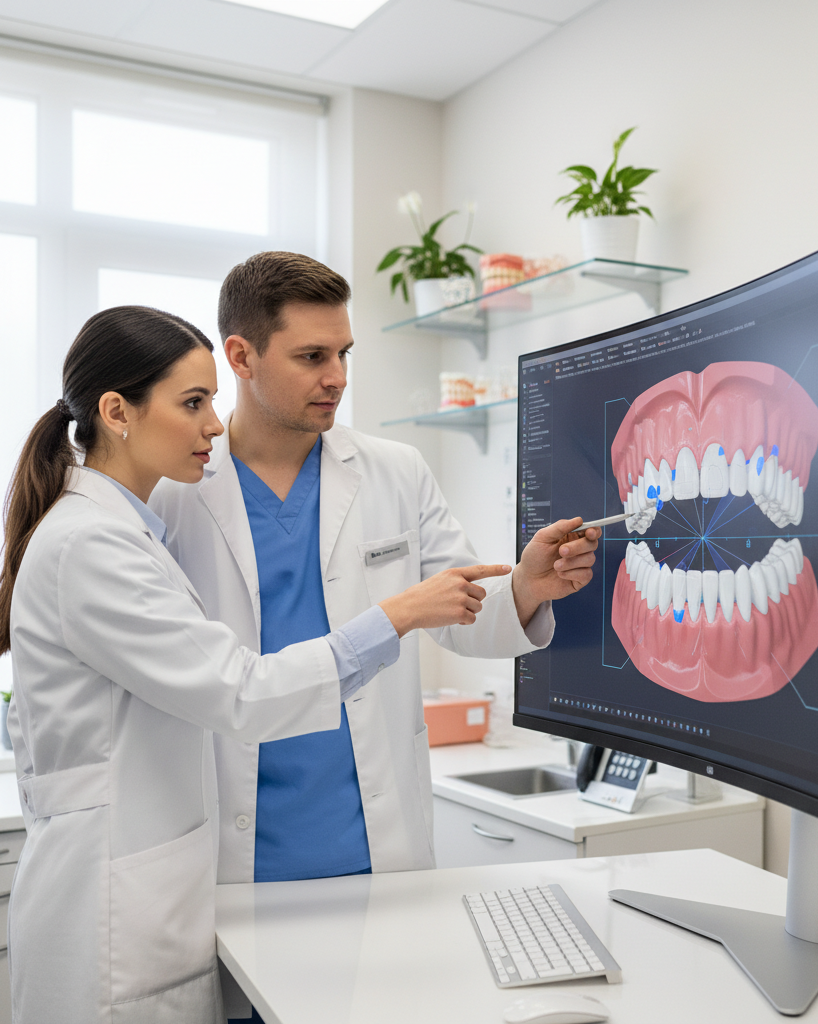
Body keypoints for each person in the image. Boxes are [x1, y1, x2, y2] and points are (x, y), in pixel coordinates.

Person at [0, 306, 514, 1024]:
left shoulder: (119, 530)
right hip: (114, 917)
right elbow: (240, 691)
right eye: (192, 403)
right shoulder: (93, 544)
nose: (212, 424)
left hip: (158, 892)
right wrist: (395, 615)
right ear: (116, 412)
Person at [148, 253, 599, 1010]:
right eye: (311, 357)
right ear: (241, 357)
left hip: (372, 852)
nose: (337, 377)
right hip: (238, 858)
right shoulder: (175, 491)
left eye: (344, 353)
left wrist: (526, 587)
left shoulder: (395, 471)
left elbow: (459, 613)